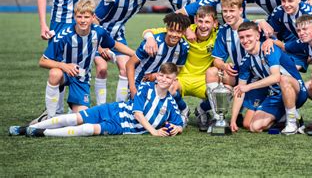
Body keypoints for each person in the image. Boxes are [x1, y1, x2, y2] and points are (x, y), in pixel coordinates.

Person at [10, 63, 184, 137]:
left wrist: (177, 128)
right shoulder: (146, 87)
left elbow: (179, 123)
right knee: (75, 118)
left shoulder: (170, 104)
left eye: (168, 78)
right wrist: (153, 132)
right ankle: (26, 129)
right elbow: (138, 113)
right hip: (114, 109)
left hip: (122, 127)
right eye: (161, 75)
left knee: (87, 129)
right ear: (157, 75)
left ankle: (42, 133)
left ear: (173, 80)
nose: (163, 80)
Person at [38, 0, 135, 120]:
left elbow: (114, 44)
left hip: (81, 78)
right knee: (54, 73)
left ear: (93, 17)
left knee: (82, 119)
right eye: (79, 16)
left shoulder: (99, 32)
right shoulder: (63, 35)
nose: (83, 20)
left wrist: (135, 54)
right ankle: (50, 117)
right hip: (64, 73)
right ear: (74, 17)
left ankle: (71, 111)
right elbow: (43, 61)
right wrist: (64, 66)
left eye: (86, 17)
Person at [142, 6, 219, 131]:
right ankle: (183, 110)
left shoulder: (218, 35)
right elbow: (148, 31)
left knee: (226, 91)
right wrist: (150, 38)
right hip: (181, 78)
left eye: (207, 22)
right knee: (167, 86)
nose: (203, 26)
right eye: (200, 21)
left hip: (203, 80)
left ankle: (202, 110)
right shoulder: (182, 31)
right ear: (195, 20)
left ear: (214, 23)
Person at [94, 0, 159, 105]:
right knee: (102, 69)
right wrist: (99, 46)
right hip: (98, 37)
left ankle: (120, 107)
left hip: (118, 37)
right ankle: (101, 108)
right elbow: (95, 20)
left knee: (125, 69)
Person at [231, 21, 308, 135]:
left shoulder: (268, 48)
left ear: (257, 36)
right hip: (276, 95)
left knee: (283, 79)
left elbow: (276, 77)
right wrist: (233, 120)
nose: (245, 40)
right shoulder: (246, 61)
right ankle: (284, 116)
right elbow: (240, 90)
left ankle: (292, 122)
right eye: (241, 37)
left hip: (296, 91)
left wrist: (248, 87)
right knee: (253, 127)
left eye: (248, 36)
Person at [205, 0, 267, 132]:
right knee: (212, 72)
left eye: (231, 10)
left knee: (249, 124)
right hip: (239, 74)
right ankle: (218, 117)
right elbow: (217, 60)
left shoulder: (252, 27)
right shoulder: (223, 31)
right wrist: (224, 65)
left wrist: (263, 22)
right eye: (225, 11)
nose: (227, 14)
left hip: (258, 77)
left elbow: (270, 42)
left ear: (240, 10)